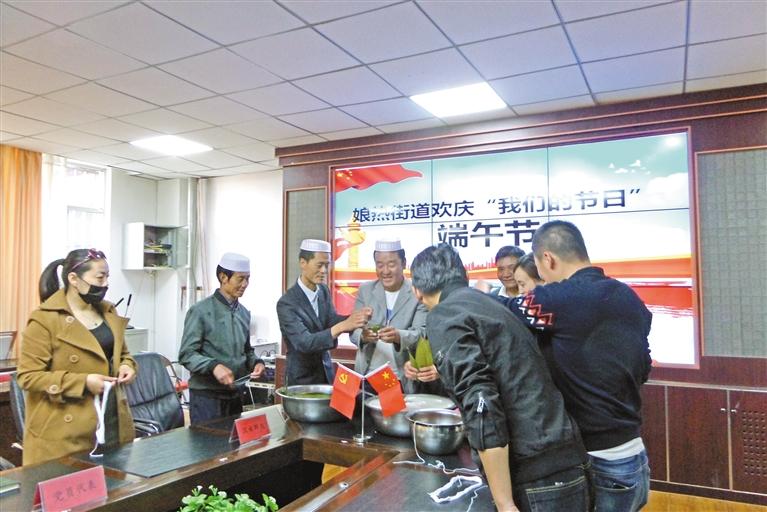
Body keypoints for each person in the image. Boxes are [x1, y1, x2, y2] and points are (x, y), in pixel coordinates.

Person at [411, 244, 589, 512]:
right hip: (566, 458)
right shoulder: (487, 303)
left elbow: (481, 404)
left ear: (417, 291)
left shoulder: (446, 313)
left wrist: (505, 503)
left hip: (537, 474)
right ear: (463, 276)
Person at [499, 220, 653, 512]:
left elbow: (502, 312)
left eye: (539, 272)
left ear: (548, 259)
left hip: (600, 463)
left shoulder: (559, 298)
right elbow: (644, 366)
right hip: (634, 458)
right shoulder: (629, 297)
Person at [17, 248, 137, 465]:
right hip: (64, 429)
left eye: (107, 277)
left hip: (111, 418)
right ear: (73, 279)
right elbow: (28, 377)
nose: (105, 284)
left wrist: (127, 366)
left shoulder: (108, 311)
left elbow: (123, 354)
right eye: (100, 277)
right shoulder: (45, 319)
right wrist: (83, 382)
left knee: (117, 481)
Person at [179, 252, 265, 425]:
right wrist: (213, 366)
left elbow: (247, 350)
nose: (245, 284)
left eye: (248, 279)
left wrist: (257, 362)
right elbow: (187, 354)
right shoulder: (200, 311)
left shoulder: (243, 313)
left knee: (234, 442)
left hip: (235, 395)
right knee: (208, 442)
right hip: (207, 398)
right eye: (240, 279)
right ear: (223, 277)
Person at [277, 239, 370, 385]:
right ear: (303, 263)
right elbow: (304, 342)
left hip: (326, 374)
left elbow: (331, 321)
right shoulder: (287, 303)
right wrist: (343, 326)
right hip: (302, 381)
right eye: (319, 265)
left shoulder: (323, 291)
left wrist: (356, 319)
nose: (324, 271)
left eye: (327, 265)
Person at [349, 239, 427, 392]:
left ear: (403, 263)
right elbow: (353, 330)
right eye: (380, 265)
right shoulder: (366, 290)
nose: (385, 271)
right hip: (367, 376)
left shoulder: (417, 291)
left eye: (391, 264)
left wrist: (398, 336)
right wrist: (363, 336)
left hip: (401, 379)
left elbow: (421, 334)